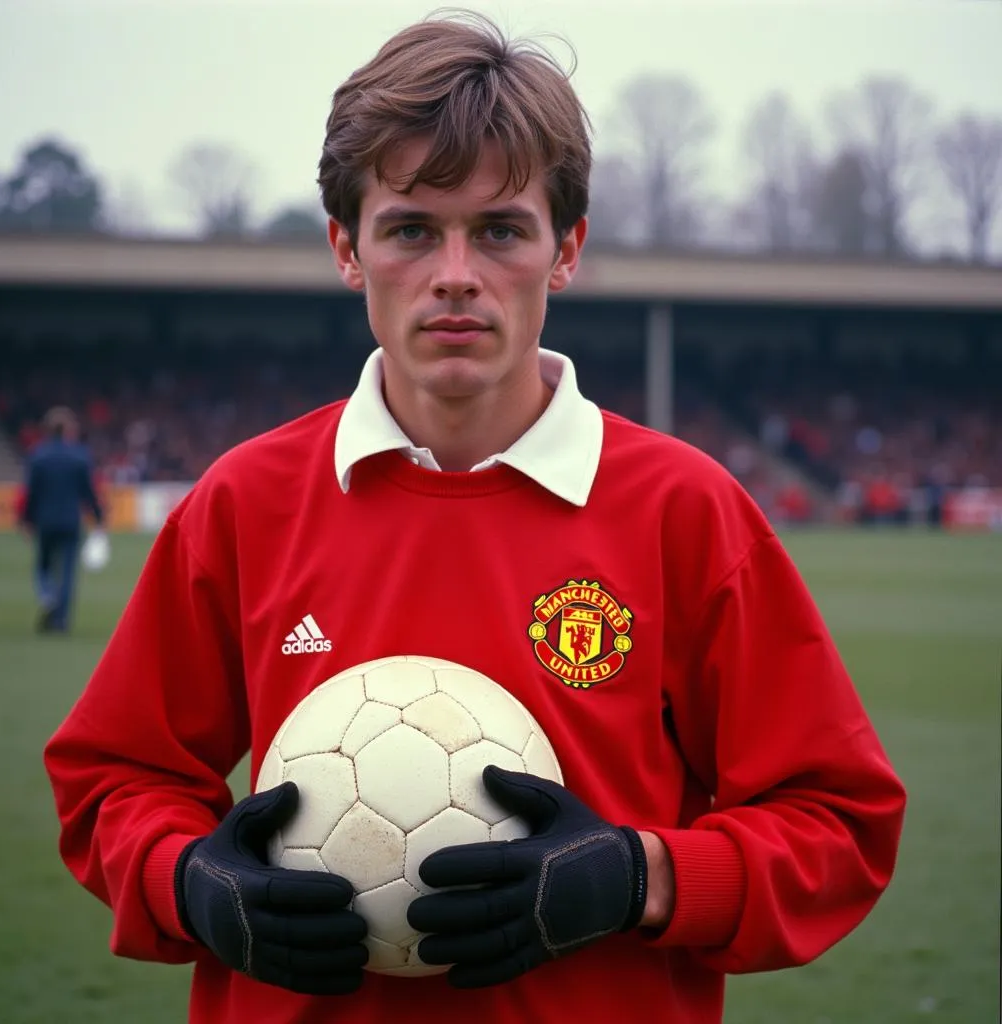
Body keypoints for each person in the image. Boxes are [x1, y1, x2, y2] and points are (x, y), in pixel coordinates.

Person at [44, 12, 906, 1024]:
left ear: (566, 249)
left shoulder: (687, 511)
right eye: (411, 228)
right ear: (346, 248)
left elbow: (839, 824)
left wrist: (644, 875)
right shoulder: (246, 501)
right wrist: (187, 878)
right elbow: (112, 777)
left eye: (500, 229)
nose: (455, 272)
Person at [20, 406, 105, 632]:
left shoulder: (38, 455)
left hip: (45, 521)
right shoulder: (79, 456)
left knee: (43, 566)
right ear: (68, 430)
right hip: (70, 521)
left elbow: (31, 492)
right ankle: (61, 619)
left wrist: (26, 520)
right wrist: (98, 516)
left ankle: (48, 596)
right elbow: (89, 492)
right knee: (68, 572)